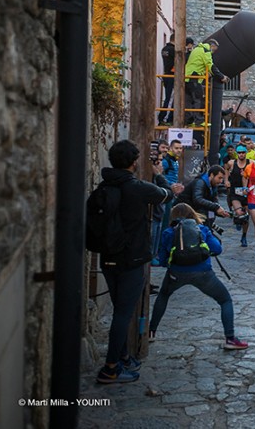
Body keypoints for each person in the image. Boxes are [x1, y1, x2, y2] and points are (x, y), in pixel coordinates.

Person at [96, 140, 181, 384]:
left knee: (119, 310)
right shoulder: (137, 187)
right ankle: (110, 367)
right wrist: (160, 176)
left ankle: (121, 356)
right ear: (134, 162)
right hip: (131, 258)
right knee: (123, 313)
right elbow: (167, 195)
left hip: (108, 256)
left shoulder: (105, 184)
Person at [150, 203, 248, 350]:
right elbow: (217, 249)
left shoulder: (168, 232)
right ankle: (230, 338)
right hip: (203, 273)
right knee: (225, 300)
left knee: (163, 296)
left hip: (176, 273)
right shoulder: (202, 229)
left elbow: (163, 260)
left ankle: (151, 332)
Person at [185, 38, 229, 126]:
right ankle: (199, 121)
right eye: (214, 50)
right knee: (198, 99)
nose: (213, 52)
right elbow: (211, 65)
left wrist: (205, 72)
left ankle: (189, 120)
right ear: (212, 46)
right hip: (194, 77)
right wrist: (222, 76)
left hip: (187, 77)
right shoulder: (205, 51)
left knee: (189, 100)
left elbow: (197, 63)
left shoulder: (197, 49)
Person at [225, 145, 250, 247]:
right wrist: (226, 180)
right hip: (235, 192)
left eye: (243, 152)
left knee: (246, 216)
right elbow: (225, 169)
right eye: (239, 153)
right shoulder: (232, 163)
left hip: (246, 192)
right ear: (237, 153)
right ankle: (237, 217)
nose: (241, 155)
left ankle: (244, 236)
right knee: (240, 212)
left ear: (246, 153)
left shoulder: (250, 163)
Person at [158, 34, 175, 126]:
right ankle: (164, 118)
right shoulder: (174, 50)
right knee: (170, 98)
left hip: (166, 74)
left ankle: (163, 117)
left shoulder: (164, 49)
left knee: (167, 98)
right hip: (172, 76)